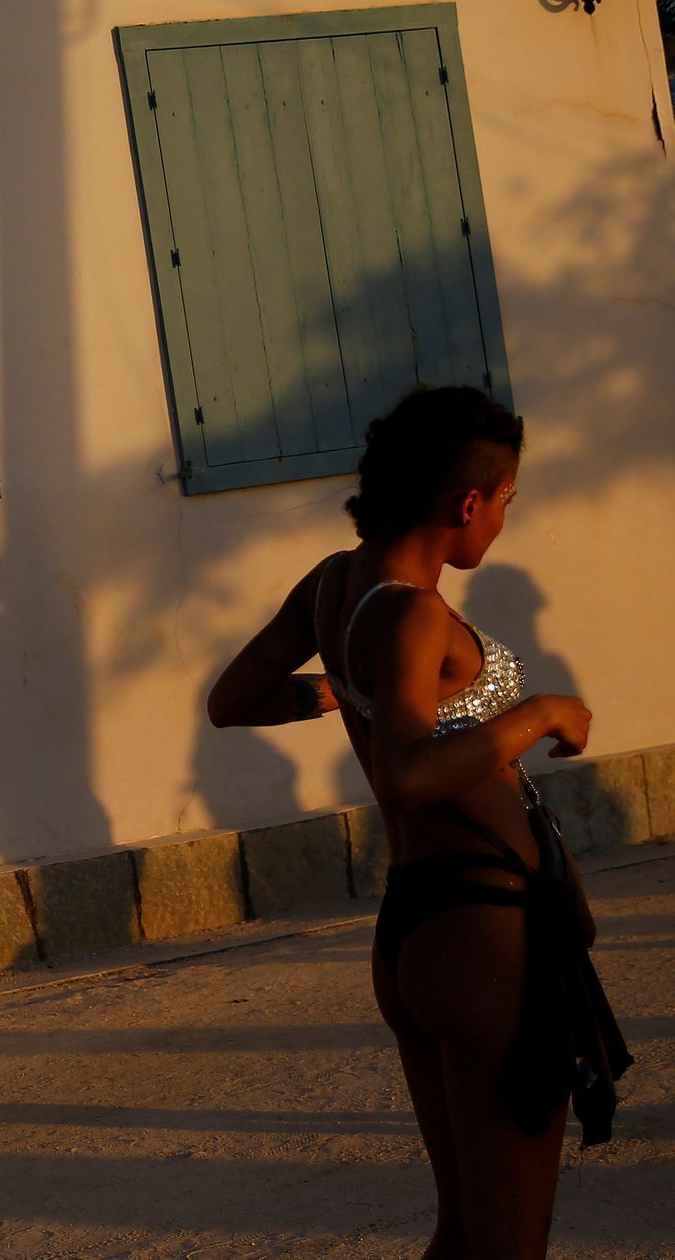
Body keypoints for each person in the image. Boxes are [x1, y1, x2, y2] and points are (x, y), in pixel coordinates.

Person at [207, 387, 628, 1258]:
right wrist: (541, 712)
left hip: (425, 923)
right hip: (482, 932)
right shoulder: (411, 607)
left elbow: (235, 699)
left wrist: (334, 692)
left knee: (466, 1234)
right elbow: (407, 774)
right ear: (467, 502)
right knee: (510, 1241)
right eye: (508, 500)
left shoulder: (332, 583)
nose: (505, 518)